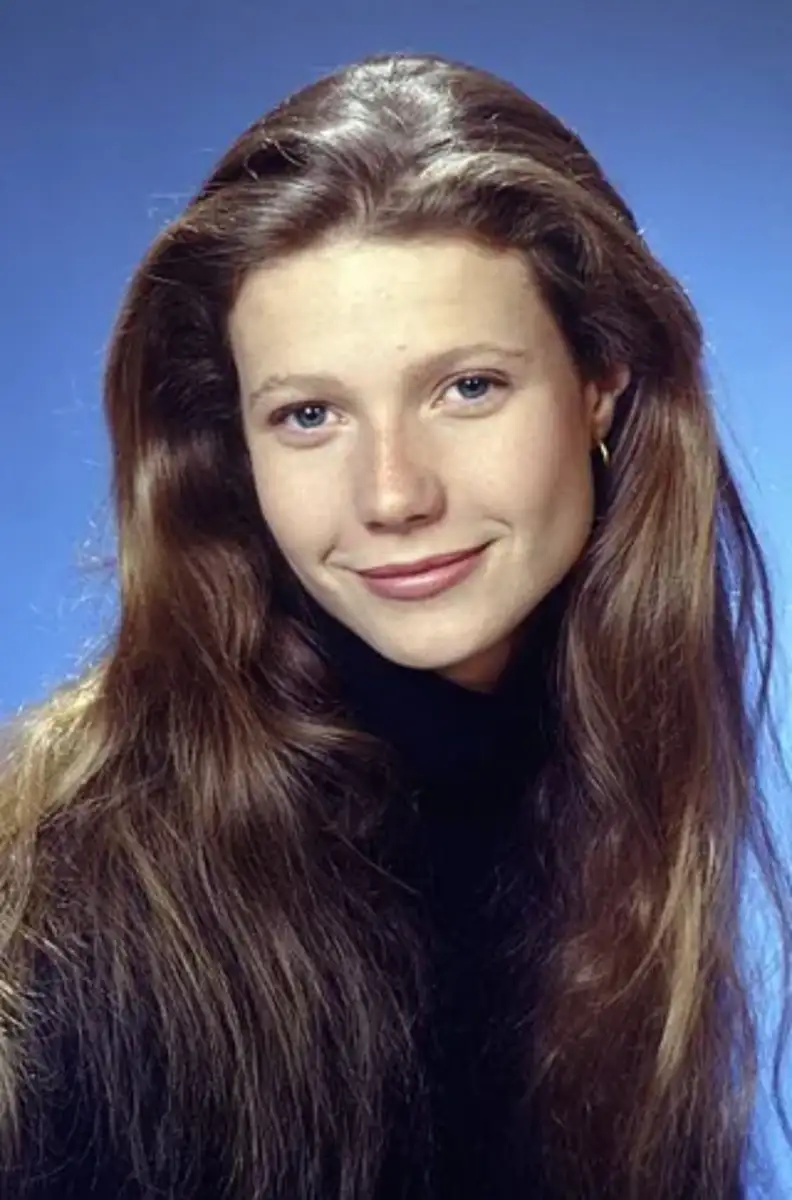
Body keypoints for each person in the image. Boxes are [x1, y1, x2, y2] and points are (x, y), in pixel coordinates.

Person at [0, 51, 789, 1200]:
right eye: (309, 413)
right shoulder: (108, 913)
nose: (391, 495)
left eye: (466, 387)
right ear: (237, 447)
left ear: (602, 386)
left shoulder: (608, 776)